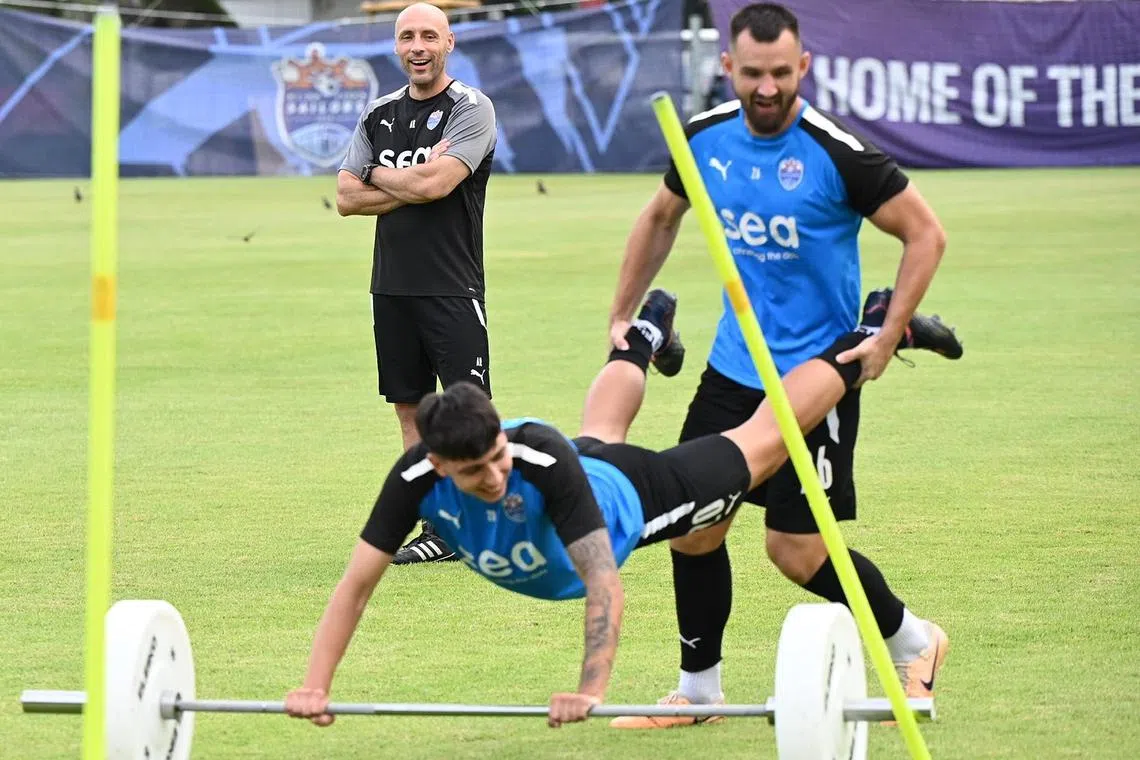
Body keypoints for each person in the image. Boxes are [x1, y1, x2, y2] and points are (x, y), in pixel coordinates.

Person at [284, 288, 961, 728]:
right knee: (600, 431)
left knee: (762, 437)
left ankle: (875, 333)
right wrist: (315, 685)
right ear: (436, 464)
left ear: (500, 433)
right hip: (591, 471)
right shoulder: (411, 478)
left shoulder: (535, 458)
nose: (495, 475)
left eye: (498, 456)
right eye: (474, 471)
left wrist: (590, 687)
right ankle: (645, 332)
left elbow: (605, 584)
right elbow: (355, 588)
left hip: (643, 496)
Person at [605, 2, 958, 728]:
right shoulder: (703, 138)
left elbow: (925, 233)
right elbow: (659, 217)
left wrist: (888, 335)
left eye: (780, 75)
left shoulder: (839, 153)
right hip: (734, 369)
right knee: (694, 525)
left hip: (819, 374)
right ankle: (698, 691)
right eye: (752, 75)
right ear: (728, 69)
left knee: (794, 551)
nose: (766, 89)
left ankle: (916, 642)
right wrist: (622, 309)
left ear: (803, 67)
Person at [337, 2, 497, 565]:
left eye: (429, 35)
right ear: (396, 46)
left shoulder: (470, 109)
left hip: (452, 286)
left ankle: (486, 517)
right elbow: (344, 198)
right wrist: (407, 179)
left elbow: (435, 184)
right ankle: (439, 528)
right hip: (392, 288)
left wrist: (379, 172)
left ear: (449, 42)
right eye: (408, 37)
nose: (418, 47)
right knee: (411, 411)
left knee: (469, 409)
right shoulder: (378, 113)